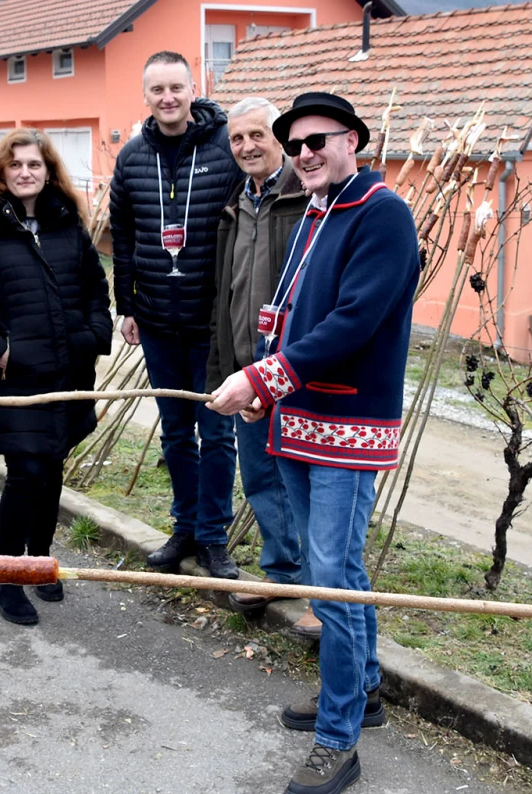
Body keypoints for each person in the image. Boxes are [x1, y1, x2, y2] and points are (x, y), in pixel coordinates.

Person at [207, 92, 419, 794]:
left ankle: (339, 740)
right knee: (328, 574)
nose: (304, 154)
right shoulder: (317, 209)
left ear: (352, 140)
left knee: (334, 576)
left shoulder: (382, 213)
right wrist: (264, 388)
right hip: (295, 418)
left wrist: (267, 375)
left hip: (348, 431)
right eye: (294, 144)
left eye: (317, 141)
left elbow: (356, 321)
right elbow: (287, 312)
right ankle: (363, 692)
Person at [0, 129, 112, 624]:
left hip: (68, 371)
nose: (26, 172)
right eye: (16, 165)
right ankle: (7, 578)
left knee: (53, 466)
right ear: (0, 172)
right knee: (28, 473)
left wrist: (92, 335)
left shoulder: (66, 222)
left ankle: (40, 561)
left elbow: (95, 288)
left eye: (35, 165)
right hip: (14, 377)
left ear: (49, 171)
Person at [109, 51, 242, 579]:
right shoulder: (133, 156)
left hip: (212, 325)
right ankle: (185, 527)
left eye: (176, 88)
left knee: (217, 434)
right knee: (174, 435)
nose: (167, 98)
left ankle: (213, 538)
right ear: (146, 95)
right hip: (159, 322)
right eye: (157, 89)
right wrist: (127, 305)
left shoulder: (226, 148)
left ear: (194, 89)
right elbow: (122, 237)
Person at [205, 97, 320, 640]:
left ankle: (325, 594)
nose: (247, 147)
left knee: (306, 484)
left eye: (257, 135)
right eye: (237, 139)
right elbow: (223, 290)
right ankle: (281, 574)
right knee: (258, 477)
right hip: (246, 367)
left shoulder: (307, 198)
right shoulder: (235, 203)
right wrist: (224, 367)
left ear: (279, 138)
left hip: (294, 369)